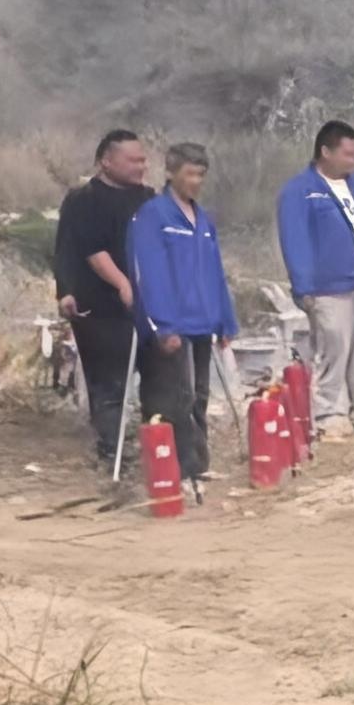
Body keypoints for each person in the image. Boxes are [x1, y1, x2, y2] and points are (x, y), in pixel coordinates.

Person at [274, 120, 354, 438]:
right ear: (326, 151)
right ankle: (326, 416)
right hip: (327, 288)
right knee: (333, 350)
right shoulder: (300, 191)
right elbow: (294, 241)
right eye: (348, 154)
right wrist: (303, 288)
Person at [124, 142, 239, 495]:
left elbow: (215, 272)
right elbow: (149, 275)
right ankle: (178, 469)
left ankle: (198, 466)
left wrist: (225, 321)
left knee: (199, 395)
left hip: (203, 322)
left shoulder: (202, 220)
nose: (196, 182)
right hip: (172, 326)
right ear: (171, 173)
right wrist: (163, 325)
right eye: (189, 174)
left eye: (201, 175)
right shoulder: (153, 216)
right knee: (176, 397)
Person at [53, 129, 155, 469]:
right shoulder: (84, 199)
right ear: (106, 161)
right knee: (109, 380)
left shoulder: (147, 198)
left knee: (154, 374)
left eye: (143, 160)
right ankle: (112, 450)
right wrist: (66, 290)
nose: (141, 166)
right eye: (133, 160)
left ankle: (156, 440)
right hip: (98, 304)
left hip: (146, 303)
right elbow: (77, 249)